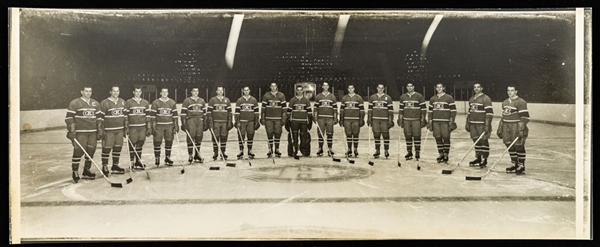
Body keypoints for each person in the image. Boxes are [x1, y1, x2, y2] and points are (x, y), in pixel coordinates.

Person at [65, 86, 101, 183]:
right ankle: (75, 171)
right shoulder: (75, 103)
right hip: (81, 132)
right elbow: (69, 118)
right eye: (86, 91)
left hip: (92, 132)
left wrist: (99, 130)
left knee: (91, 151)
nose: (88, 93)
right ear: (82, 92)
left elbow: (99, 118)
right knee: (78, 151)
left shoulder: (95, 103)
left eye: (90, 91)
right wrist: (72, 131)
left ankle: (86, 170)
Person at [498, 85, 529, 175]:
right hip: (506, 126)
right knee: (509, 144)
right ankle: (515, 163)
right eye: (508, 90)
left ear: (516, 91)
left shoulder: (521, 102)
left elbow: (525, 117)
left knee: (518, 145)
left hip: (516, 126)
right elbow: (504, 116)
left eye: (512, 90)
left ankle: (521, 165)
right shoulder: (504, 102)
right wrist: (500, 127)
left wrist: (520, 129)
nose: (510, 92)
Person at [97, 86, 127, 175]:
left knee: (118, 147)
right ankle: (105, 165)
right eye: (114, 91)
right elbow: (100, 118)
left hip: (120, 130)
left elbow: (125, 116)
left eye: (117, 91)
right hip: (108, 131)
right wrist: (101, 130)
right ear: (110, 92)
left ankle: (115, 165)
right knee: (107, 148)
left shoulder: (122, 101)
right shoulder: (104, 103)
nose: (116, 93)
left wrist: (126, 127)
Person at [427, 83, 457, 163]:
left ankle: (446, 154)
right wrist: (429, 122)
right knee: (438, 137)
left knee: (446, 137)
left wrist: (452, 122)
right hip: (436, 122)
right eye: (437, 87)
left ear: (443, 88)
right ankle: (441, 154)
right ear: (435, 88)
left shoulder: (449, 98)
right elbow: (430, 112)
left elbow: (453, 111)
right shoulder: (433, 99)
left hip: (445, 122)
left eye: (441, 87)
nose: (439, 88)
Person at [465, 83, 493, 167]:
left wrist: (487, 125)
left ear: (481, 88)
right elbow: (470, 113)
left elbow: (489, 113)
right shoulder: (471, 99)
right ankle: (478, 157)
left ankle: (484, 158)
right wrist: (468, 122)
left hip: (482, 124)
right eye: (475, 87)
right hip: (473, 124)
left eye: (478, 87)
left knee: (483, 141)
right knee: (475, 140)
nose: (476, 89)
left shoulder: (486, 98)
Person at [397, 83, 427, 160]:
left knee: (417, 136)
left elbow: (423, 109)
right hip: (406, 120)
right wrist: (400, 118)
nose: (410, 88)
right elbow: (401, 110)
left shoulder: (419, 96)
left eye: (411, 86)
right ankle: (409, 151)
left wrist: (423, 119)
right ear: (406, 87)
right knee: (408, 136)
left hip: (416, 120)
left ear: (413, 87)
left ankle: (417, 151)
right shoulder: (403, 97)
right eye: (408, 86)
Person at [150, 88, 179, 166]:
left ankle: (167, 157)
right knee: (157, 142)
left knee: (169, 142)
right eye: (163, 92)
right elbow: (152, 117)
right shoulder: (155, 103)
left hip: (169, 126)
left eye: (166, 92)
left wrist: (176, 125)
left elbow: (175, 115)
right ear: (160, 93)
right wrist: (153, 127)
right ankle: (157, 157)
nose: (164, 93)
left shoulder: (172, 102)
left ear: (168, 93)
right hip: (159, 126)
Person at [125, 87, 151, 169]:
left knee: (140, 143)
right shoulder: (128, 102)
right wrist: (126, 127)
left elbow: (148, 116)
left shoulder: (145, 102)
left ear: (141, 92)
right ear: (133, 92)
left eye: (139, 91)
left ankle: (138, 161)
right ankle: (132, 161)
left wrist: (148, 127)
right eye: (136, 91)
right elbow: (125, 116)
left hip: (142, 127)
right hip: (133, 127)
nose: (138, 93)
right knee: (132, 144)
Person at [180, 87, 207, 163]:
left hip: (200, 120)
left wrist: (205, 122)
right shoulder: (187, 100)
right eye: (194, 91)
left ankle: (197, 154)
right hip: (191, 120)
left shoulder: (202, 101)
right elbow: (183, 113)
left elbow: (204, 113)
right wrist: (183, 123)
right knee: (191, 137)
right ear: (191, 92)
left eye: (197, 91)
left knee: (199, 137)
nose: (195, 93)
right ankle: (190, 154)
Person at [367, 84, 394, 158]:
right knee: (376, 135)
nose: (380, 89)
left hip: (384, 120)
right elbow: (370, 110)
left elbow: (391, 110)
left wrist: (390, 120)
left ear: (384, 89)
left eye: (382, 88)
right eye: (379, 88)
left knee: (385, 135)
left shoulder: (388, 98)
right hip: (375, 119)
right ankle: (377, 150)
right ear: (377, 88)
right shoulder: (372, 97)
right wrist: (369, 119)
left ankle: (386, 150)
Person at [207, 87, 233, 160]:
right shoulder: (212, 100)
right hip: (216, 122)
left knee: (224, 137)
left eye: (221, 90)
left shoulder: (227, 100)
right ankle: (215, 152)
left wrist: (230, 121)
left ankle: (223, 152)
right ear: (216, 91)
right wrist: (210, 121)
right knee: (215, 137)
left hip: (224, 122)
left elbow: (230, 112)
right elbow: (209, 111)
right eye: (219, 90)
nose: (220, 91)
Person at [261, 83, 287, 158]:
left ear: (277, 87)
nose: (273, 87)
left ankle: (277, 149)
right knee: (269, 134)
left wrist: (284, 118)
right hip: (268, 119)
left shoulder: (281, 95)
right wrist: (262, 118)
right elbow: (263, 108)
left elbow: (284, 109)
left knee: (277, 134)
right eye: (272, 86)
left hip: (278, 119)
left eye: (274, 86)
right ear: (270, 87)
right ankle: (270, 149)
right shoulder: (266, 95)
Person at [287, 85, 313, 158]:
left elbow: (309, 111)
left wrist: (310, 120)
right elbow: (289, 111)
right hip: (294, 121)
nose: (299, 92)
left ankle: (304, 151)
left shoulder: (306, 100)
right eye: (298, 90)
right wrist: (288, 120)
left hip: (304, 121)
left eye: (300, 90)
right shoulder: (292, 100)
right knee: (294, 137)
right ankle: (293, 151)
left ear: (302, 91)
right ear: (296, 91)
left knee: (304, 137)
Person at [313, 82, 338, 156]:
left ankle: (330, 149)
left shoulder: (332, 96)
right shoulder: (318, 96)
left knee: (330, 134)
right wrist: (315, 116)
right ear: (322, 87)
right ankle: (320, 148)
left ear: (328, 87)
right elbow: (315, 108)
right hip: (321, 118)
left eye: (327, 85)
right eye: (324, 85)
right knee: (320, 134)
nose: (325, 87)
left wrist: (335, 118)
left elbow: (335, 109)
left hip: (330, 118)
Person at [235, 86, 260, 159]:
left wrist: (256, 121)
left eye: (247, 90)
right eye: (245, 90)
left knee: (250, 135)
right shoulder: (239, 100)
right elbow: (237, 113)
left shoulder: (253, 100)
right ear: (243, 91)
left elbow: (256, 112)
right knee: (241, 136)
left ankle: (250, 150)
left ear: (249, 91)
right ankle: (241, 150)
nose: (246, 91)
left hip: (250, 122)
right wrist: (237, 121)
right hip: (242, 122)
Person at [340, 84, 365, 157]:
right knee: (348, 135)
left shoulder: (358, 98)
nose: (350, 89)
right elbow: (342, 110)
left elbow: (362, 110)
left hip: (356, 120)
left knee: (356, 134)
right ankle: (349, 149)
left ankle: (355, 149)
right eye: (349, 88)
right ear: (347, 89)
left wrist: (361, 119)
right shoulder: (344, 98)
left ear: (354, 89)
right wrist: (341, 119)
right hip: (347, 119)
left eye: (352, 88)